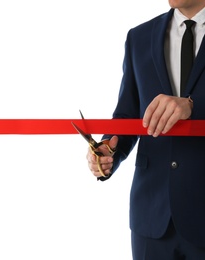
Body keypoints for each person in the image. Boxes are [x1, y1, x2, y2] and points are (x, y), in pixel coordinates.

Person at [86, 1, 205, 259]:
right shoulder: (139, 37)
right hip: (152, 216)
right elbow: (127, 114)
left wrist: (194, 106)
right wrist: (108, 150)